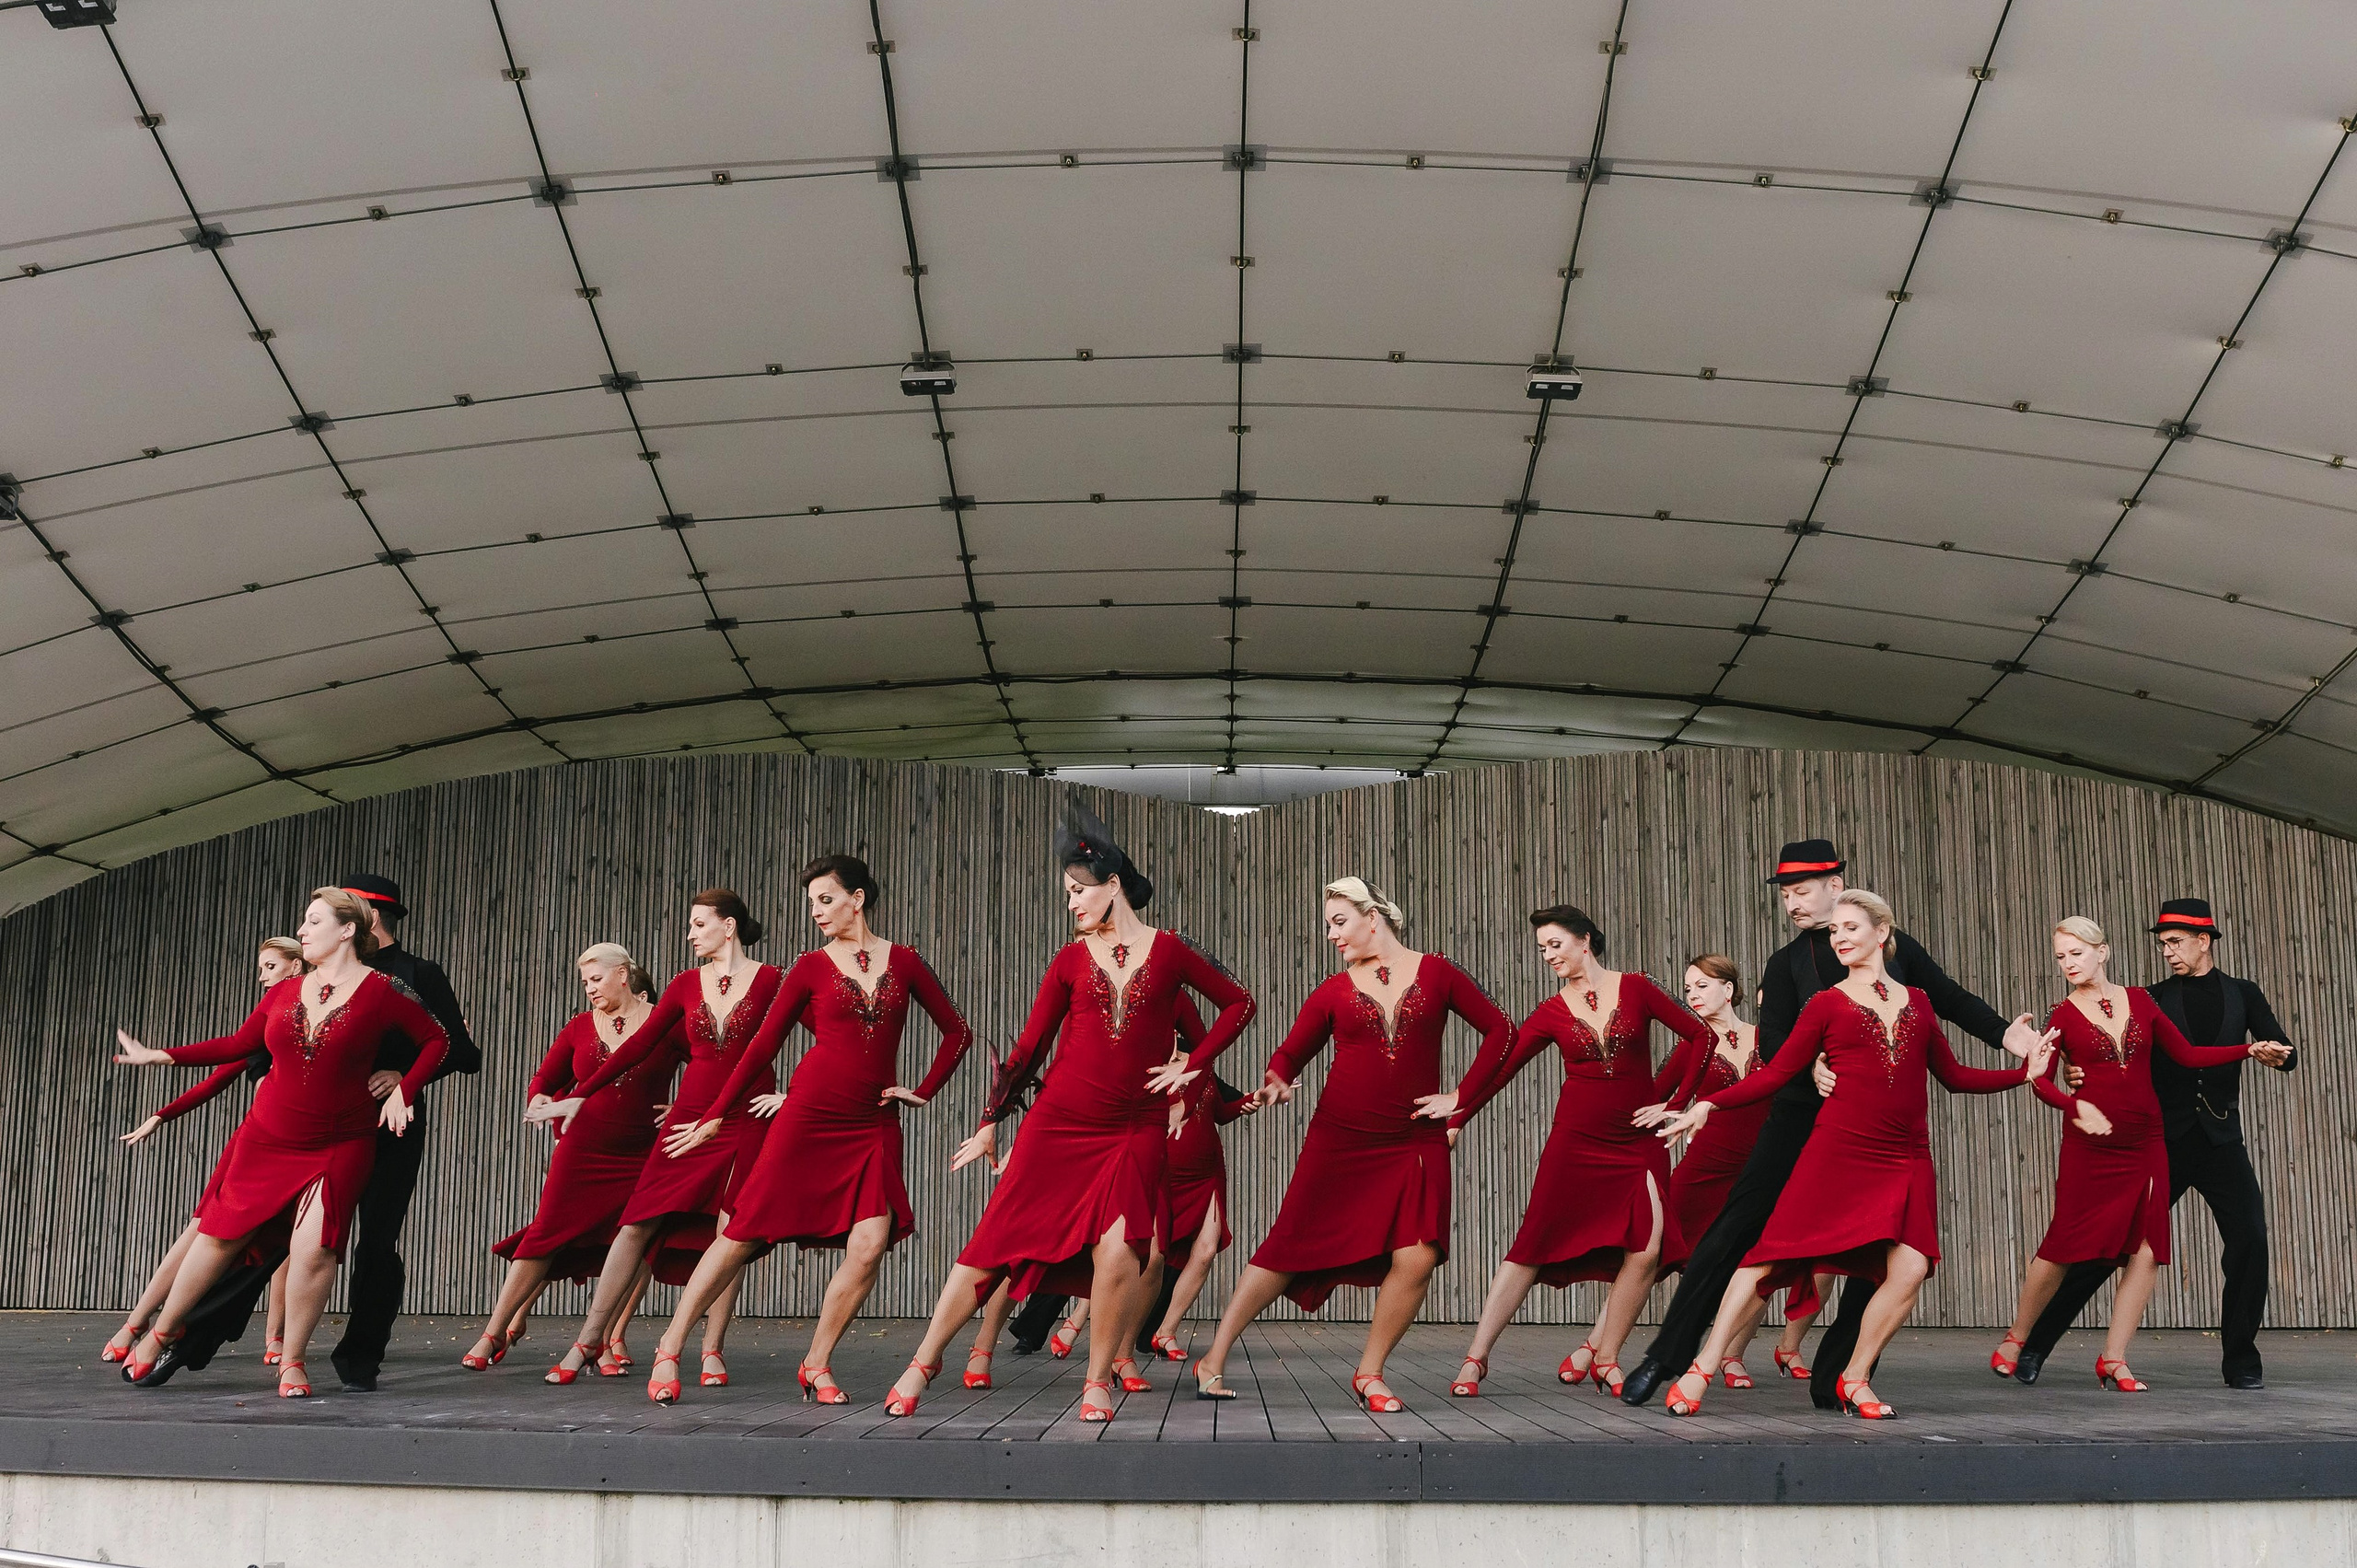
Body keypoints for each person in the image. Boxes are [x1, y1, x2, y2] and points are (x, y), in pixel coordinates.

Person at [1620, 840, 2048, 1411]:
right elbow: (1774, 1042)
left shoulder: (1898, 958)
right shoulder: (1786, 962)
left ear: (1836, 886)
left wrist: (2009, 1038)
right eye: (1786, 895)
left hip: (1875, 1127)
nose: (1793, 903)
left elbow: (1949, 1000)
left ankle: (1839, 1373)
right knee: (1738, 1231)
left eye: (1802, 891)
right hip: (1799, 1116)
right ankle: (1667, 1358)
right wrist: (1811, 1064)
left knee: (1882, 1250)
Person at [882, 804, 1255, 1423]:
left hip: (1135, 1128)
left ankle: (1096, 1378)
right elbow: (1027, 1050)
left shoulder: (1168, 953)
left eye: (1080, 890)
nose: (1073, 901)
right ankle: (924, 1360)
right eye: (1068, 892)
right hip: (1058, 1123)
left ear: (1113, 885)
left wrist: (1194, 1064)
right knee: (992, 1243)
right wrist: (989, 1121)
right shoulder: (1068, 961)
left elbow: (1239, 1004)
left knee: (1119, 1253)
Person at [632, 855, 975, 1405]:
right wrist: (713, 1116)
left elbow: (958, 1033)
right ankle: (670, 1346)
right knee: (742, 1232)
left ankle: (816, 1363)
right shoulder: (809, 968)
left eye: (825, 899)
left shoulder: (906, 962)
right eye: (811, 902)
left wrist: (924, 1090)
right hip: (810, 1114)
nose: (814, 911)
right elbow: (761, 1048)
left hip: (873, 1122)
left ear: (857, 900)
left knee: (869, 1245)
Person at [1191, 877, 1511, 1414]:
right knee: (1288, 1246)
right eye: (1328, 927)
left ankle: (1370, 1372)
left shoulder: (1437, 971)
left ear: (1372, 917)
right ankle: (1213, 1357)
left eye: (1340, 923)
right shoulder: (1333, 991)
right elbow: (1290, 1053)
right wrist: (1276, 1079)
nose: (1333, 936)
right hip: (1340, 1139)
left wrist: (1460, 1096)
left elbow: (1502, 1029)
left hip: (1415, 1137)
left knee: (1420, 1253)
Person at [111, 889, 448, 1397]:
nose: (304, 930)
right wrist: (161, 1056)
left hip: (339, 1144)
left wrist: (405, 1088)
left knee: (315, 1252)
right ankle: (159, 1335)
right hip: (269, 1139)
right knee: (218, 1237)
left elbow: (438, 1040)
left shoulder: (383, 990)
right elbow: (237, 1045)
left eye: (314, 921)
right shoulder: (283, 993)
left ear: (347, 930)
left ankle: (291, 1361)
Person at [2012, 899, 2297, 1389]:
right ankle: (2036, 1344)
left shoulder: (2243, 993)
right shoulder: (2148, 996)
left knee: (2250, 1240)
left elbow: (2283, 1051)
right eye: (2161, 943)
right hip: (2162, 1139)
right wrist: (2075, 1074)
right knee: (2106, 1249)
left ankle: (2241, 1362)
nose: (2167, 952)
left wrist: (2271, 1053)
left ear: (2203, 941)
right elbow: (2116, 1053)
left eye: (2175, 942)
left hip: (2221, 1138)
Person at [1434, 907, 1711, 1399]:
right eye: (1542, 948)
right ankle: (1476, 1358)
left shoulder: (1638, 987)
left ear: (1585, 940)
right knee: (1531, 1247)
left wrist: (1673, 1104)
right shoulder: (1550, 1012)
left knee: (1646, 1250)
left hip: (1636, 1141)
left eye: (1555, 944)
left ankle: (1607, 1358)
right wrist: (1457, 1118)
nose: (1548, 955)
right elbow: (1502, 1070)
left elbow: (1700, 1035)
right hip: (1576, 1142)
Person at [528, 889, 781, 1388]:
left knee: (729, 1230)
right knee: (636, 1223)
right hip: (689, 1116)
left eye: (697, 924)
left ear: (728, 927)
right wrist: (583, 1092)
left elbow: (827, 1031)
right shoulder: (686, 985)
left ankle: (712, 1348)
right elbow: (640, 1045)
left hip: (746, 1115)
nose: (689, 934)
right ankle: (588, 1341)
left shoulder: (771, 978)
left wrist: (793, 1095)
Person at [462, 945, 681, 1373]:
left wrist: (686, 1106)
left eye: (596, 980)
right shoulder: (580, 1026)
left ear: (623, 974)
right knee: (545, 1233)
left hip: (642, 1154)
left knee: (636, 1241)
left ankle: (599, 1339)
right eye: (584, 983)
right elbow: (546, 1078)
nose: (589, 989)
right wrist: (540, 1098)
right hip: (582, 1150)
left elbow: (712, 1066)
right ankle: (493, 1331)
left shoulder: (665, 1020)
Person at [103, 936, 304, 1365]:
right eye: (261, 967)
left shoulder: (320, 1013)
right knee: (202, 1232)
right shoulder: (270, 1021)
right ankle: (136, 1322)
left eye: (270, 967)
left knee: (292, 1242)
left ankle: (277, 1339)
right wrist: (162, 1114)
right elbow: (220, 1073)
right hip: (262, 1144)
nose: (262, 977)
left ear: (295, 966)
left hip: (310, 1143)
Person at [1655, 957, 1829, 1387]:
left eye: (1700, 986)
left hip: (1763, 1165)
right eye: (1687, 988)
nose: (1691, 995)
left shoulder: (1767, 1039)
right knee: (1651, 1252)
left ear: (1728, 990)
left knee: (1755, 1263)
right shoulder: (1691, 1043)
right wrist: (1667, 1112)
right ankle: (1602, 1346)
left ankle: (1732, 1354)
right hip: (1706, 1166)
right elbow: (1660, 1098)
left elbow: (1796, 1083)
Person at [1145, 1066, 1260, 1360]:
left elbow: (1221, 1111)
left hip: (1207, 1173)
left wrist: (1251, 1099)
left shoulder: (1203, 1071)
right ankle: (1106, 1336)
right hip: (1162, 1173)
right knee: (1147, 1256)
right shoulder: (1150, 1067)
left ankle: (1166, 1331)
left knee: (1206, 1249)